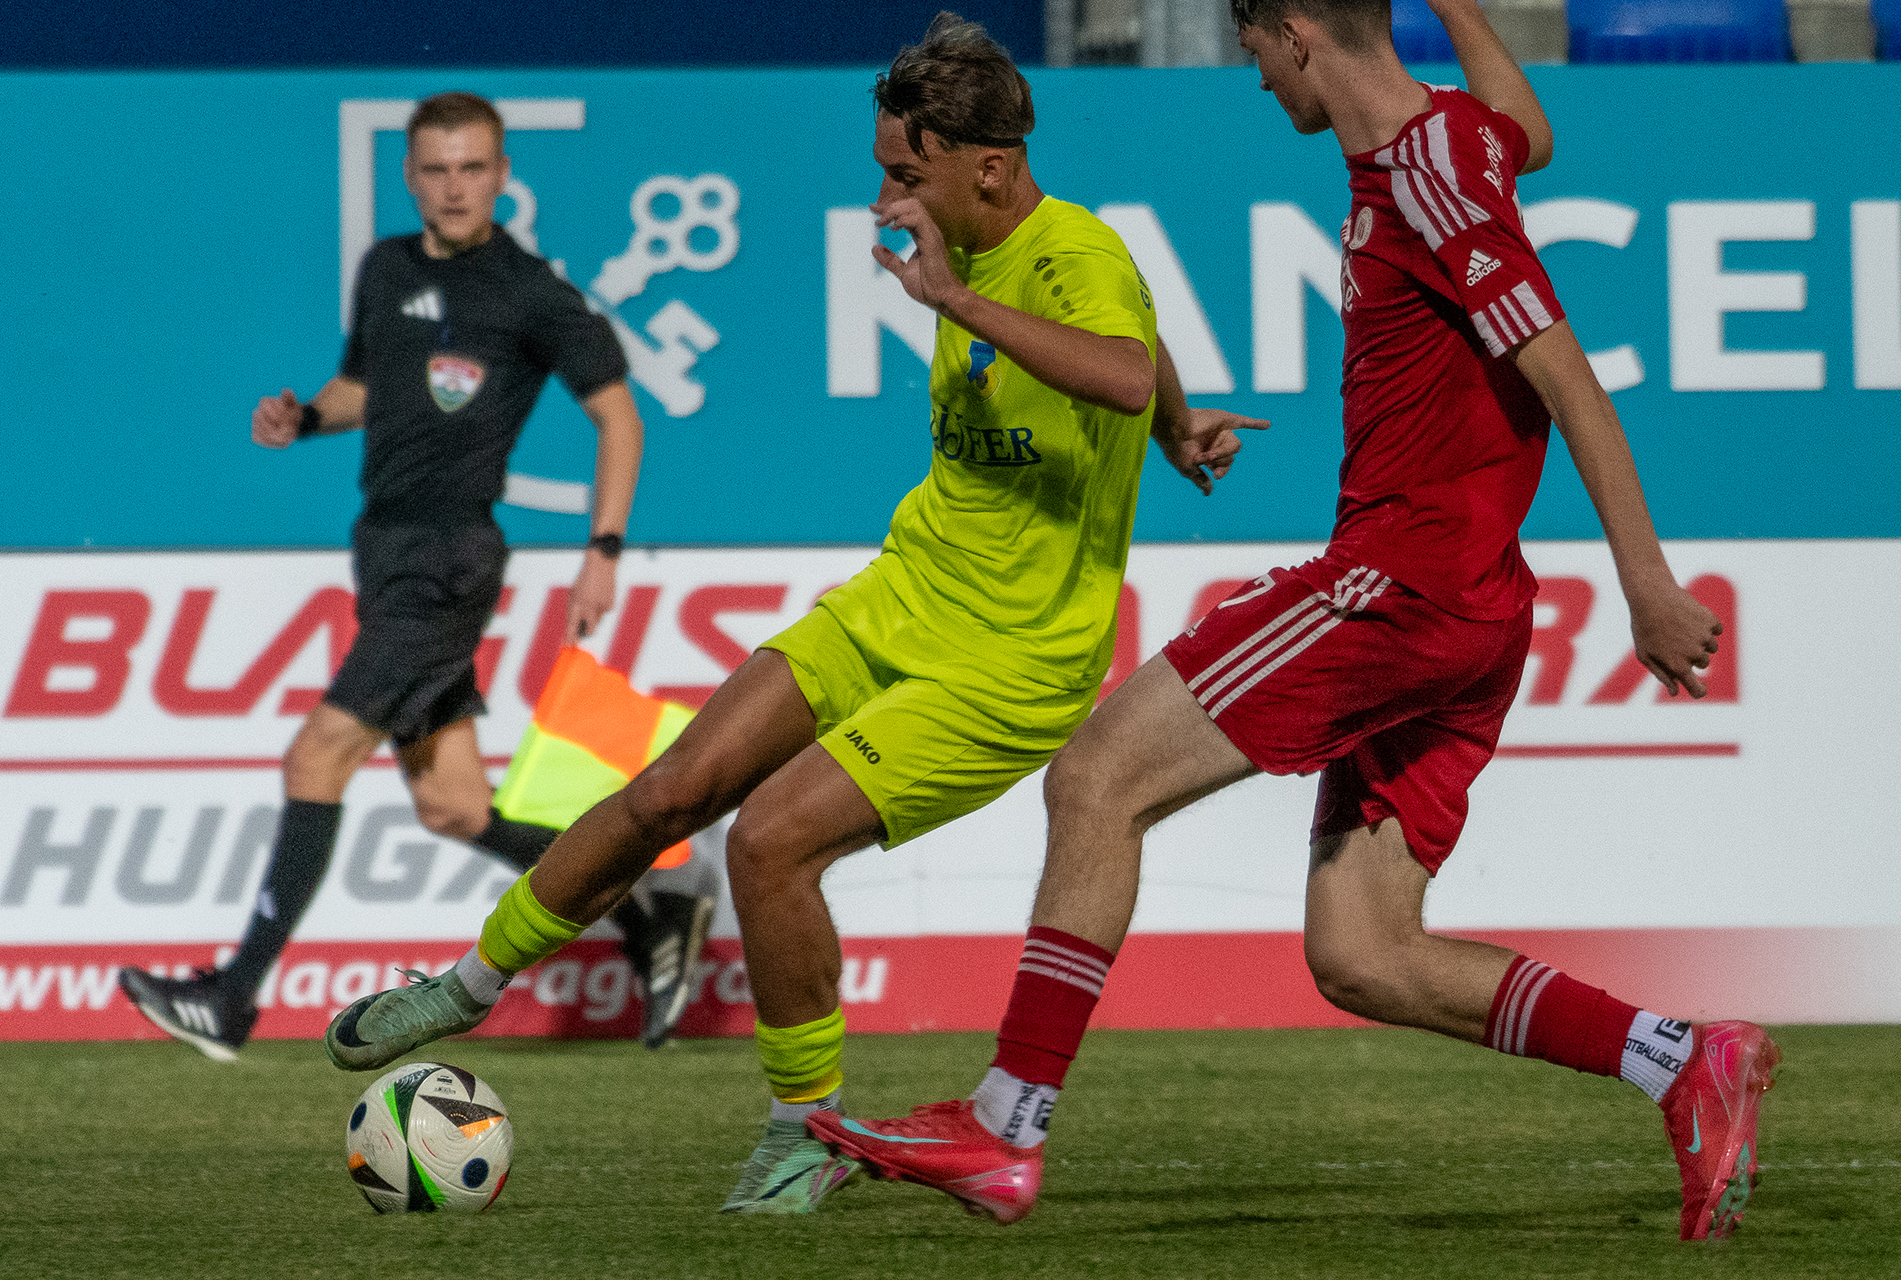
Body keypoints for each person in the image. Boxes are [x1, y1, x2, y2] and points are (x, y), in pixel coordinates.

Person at [810, 0, 1778, 1244]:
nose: (1259, 81)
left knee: (1097, 777)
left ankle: (1006, 1123)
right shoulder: (1455, 142)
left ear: (1297, 28)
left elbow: (1571, 382)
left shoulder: (1428, 174)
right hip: (1474, 602)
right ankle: (1684, 1059)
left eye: (1257, 50)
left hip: (1398, 584)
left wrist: (1647, 583)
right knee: (1365, 952)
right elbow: (1529, 130)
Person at [321, 13, 1267, 1217]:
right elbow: (1147, 360)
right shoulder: (980, 243)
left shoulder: (1065, 254)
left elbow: (1121, 365)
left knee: (770, 841)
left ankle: (800, 1133)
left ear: (989, 168)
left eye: (905, 173)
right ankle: (464, 984)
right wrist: (1181, 427)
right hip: (904, 592)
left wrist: (982, 314)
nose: (884, 197)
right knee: (673, 789)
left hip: (1013, 662)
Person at [119, 91, 710, 1060]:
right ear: (409, 176)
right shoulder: (386, 268)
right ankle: (651, 900)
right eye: (436, 169)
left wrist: (602, 551)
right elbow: (368, 385)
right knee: (454, 807)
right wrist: (307, 418)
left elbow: (620, 415)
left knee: (316, 757)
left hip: (447, 560)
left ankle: (230, 999)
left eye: (473, 168)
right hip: (385, 552)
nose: (454, 187)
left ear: (504, 174)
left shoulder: (530, 292)